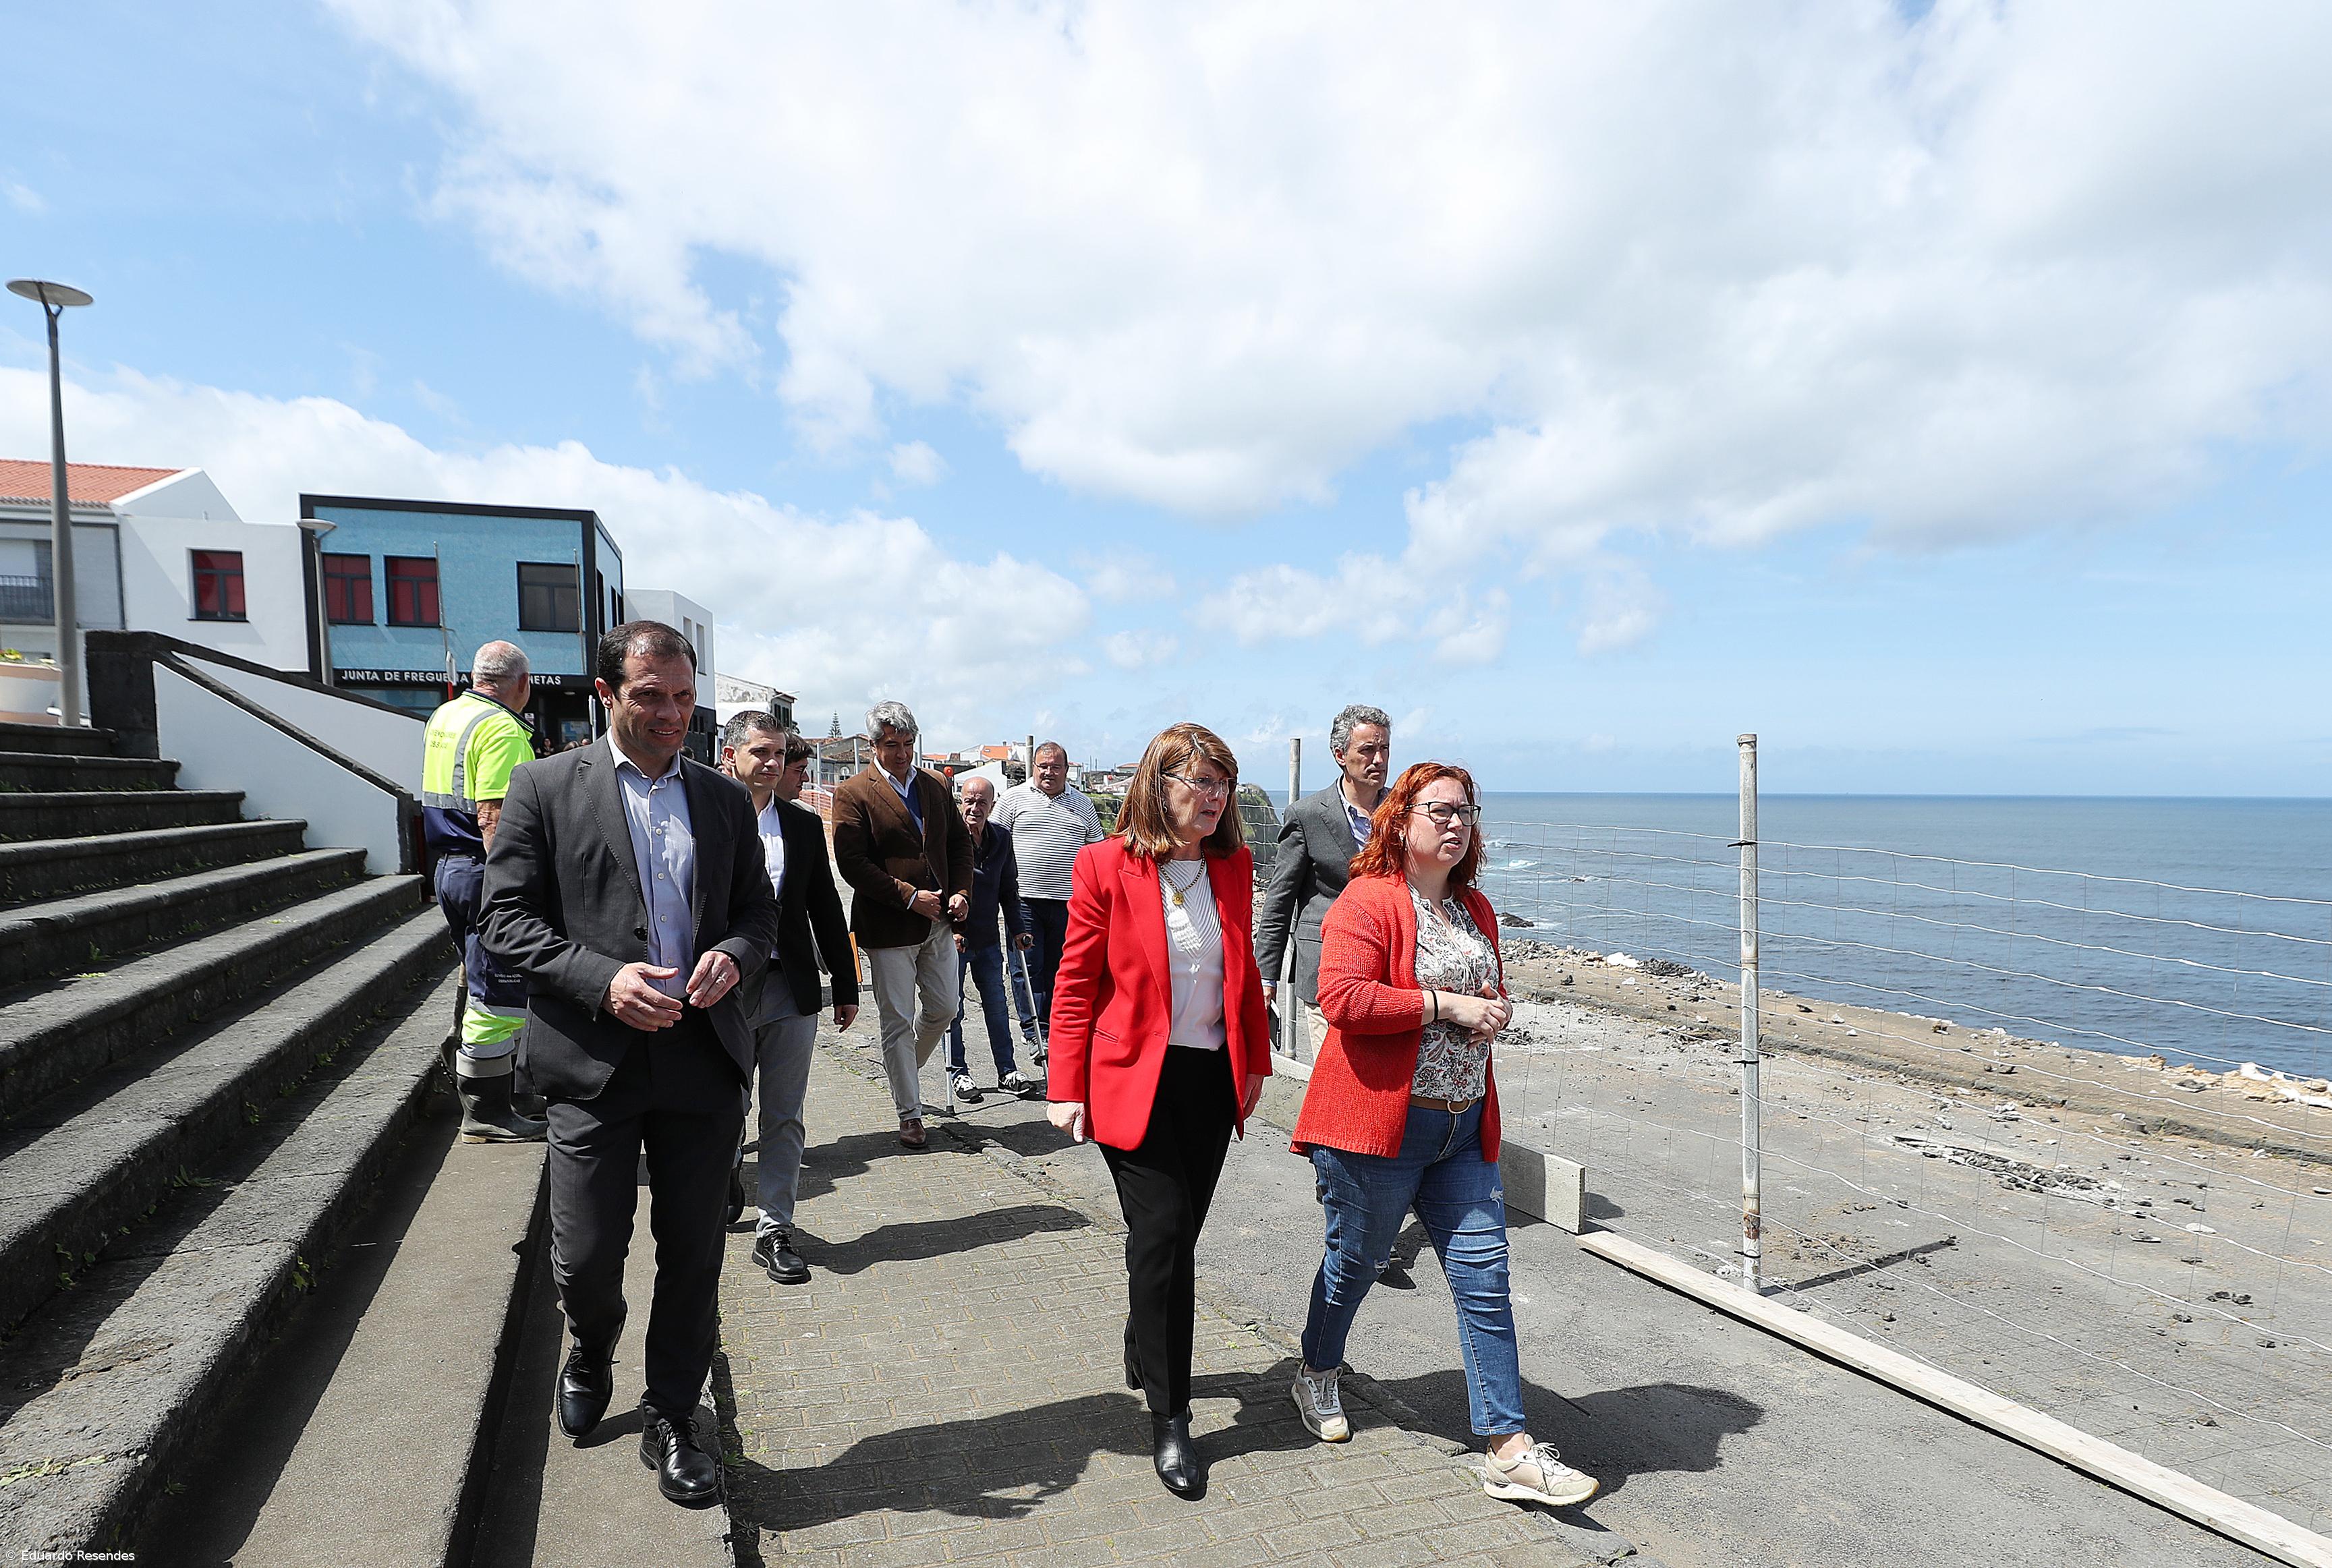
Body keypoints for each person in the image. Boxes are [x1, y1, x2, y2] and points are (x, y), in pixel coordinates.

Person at [479, 621, 779, 1509]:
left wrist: (733, 954)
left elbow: (757, 916)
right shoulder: (541, 787)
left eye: (685, 697)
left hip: (701, 1057)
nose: (671, 714)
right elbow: (504, 922)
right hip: (592, 1060)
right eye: (651, 695)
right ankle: (590, 1343)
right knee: (586, 1256)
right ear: (607, 694)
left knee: (692, 1252)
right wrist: (605, 981)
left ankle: (677, 1415)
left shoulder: (725, 801)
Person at [1287, 761, 1598, 1509]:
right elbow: (1343, 998)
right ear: (1400, 820)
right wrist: (1447, 1008)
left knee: (1485, 1284)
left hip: (1461, 1130)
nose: (1456, 823)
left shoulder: (1476, 909)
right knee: (1353, 1264)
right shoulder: (1368, 899)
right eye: (1439, 810)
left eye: (1466, 811)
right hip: (1377, 1127)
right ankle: (1318, 1372)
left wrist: (1491, 1008)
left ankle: (1508, 1449)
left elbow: (1483, 990)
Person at [1046, 723, 1271, 1500]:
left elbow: (1243, 980)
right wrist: (1063, 1085)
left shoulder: (1234, 867)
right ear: (1158, 785)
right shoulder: (1104, 865)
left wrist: (1256, 1065)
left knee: (1170, 1241)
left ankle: (1145, 1334)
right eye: (1198, 783)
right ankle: (1170, 1419)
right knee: (1168, 1235)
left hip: (1210, 1080)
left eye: (1222, 785)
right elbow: (1074, 986)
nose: (1213, 798)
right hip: (1127, 1081)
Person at [721, 714, 860, 1285]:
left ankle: (775, 1227)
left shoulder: (802, 827)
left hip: (789, 985)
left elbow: (824, 906)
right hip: (721, 988)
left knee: (784, 1113)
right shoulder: (702, 818)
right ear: (731, 755)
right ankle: (725, 1167)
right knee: (725, 1104)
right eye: (760, 752)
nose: (772, 762)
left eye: (779, 752)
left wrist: (845, 986)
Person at [830, 701, 973, 1149]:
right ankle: (909, 1113)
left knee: (946, 1008)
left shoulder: (933, 786)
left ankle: (901, 1073)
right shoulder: (853, 792)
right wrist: (909, 896)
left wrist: (961, 892)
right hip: (888, 925)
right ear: (874, 744)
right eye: (892, 745)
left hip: (938, 921)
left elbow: (959, 845)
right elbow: (851, 863)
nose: (902, 753)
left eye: (908, 744)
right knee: (897, 1019)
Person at [420, 640, 547, 1142]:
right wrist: (513, 892)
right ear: (521, 683)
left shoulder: (446, 716)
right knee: (499, 989)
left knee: (479, 977)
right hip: (481, 869)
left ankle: (497, 1094)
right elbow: (495, 817)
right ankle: (490, 1110)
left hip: (449, 866)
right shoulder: (502, 729)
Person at [1256, 704, 1392, 1060]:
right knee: (1335, 1086)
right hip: (1326, 975)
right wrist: (1265, 978)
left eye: (1384, 749)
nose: (1378, 759)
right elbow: (1279, 901)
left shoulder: (1403, 811)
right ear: (1340, 755)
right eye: (1367, 750)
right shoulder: (1307, 815)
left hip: (1390, 975)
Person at [992, 740, 1104, 1056]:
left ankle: (1056, 1030)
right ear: (1034, 768)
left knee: (1061, 969)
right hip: (1023, 901)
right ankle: (1034, 1033)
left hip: (1070, 904)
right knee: (1027, 968)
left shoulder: (1083, 805)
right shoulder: (1013, 800)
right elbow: (994, 845)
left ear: (1067, 770)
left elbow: (1096, 854)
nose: (1049, 772)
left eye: (1056, 767)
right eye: (1043, 766)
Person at [944, 774, 1042, 1103]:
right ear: (961, 802)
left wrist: (1019, 929)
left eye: (982, 802)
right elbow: (940, 887)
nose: (975, 807)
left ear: (993, 804)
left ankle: (1007, 1071)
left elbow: (1008, 889)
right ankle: (958, 1073)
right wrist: (954, 930)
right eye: (969, 801)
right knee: (952, 1010)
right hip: (953, 940)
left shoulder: (1001, 837)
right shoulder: (949, 837)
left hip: (987, 938)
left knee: (998, 1008)